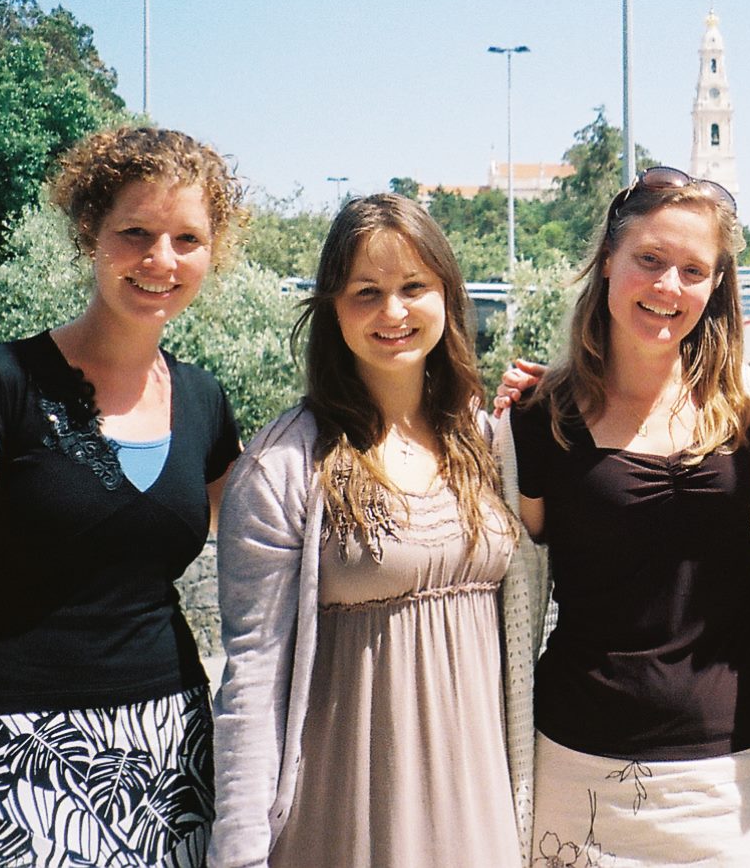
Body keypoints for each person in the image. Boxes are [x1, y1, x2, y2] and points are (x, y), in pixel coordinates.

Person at [0, 125, 246, 868]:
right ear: (90, 234)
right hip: (16, 752)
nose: (160, 261)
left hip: (171, 750)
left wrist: (506, 422)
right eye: (136, 233)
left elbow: (288, 522)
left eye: (186, 239)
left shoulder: (205, 401)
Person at [500, 166, 750, 867]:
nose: (669, 287)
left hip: (732, 776)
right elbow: (510, 583)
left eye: (693, 270)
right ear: (608, 260)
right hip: (577, 768)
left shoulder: (749, 412)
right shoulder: (535, 419)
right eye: (649, 260)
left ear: (716, 285)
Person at [209, 193, 529, 868]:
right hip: (351, 813)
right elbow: (253, 678)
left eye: (414, 287)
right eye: (367, 292)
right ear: (332, 307)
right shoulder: (284, 466)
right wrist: (238, 853)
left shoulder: (485, 439)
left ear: (447, 295)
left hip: (482, 803)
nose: (393, 312)